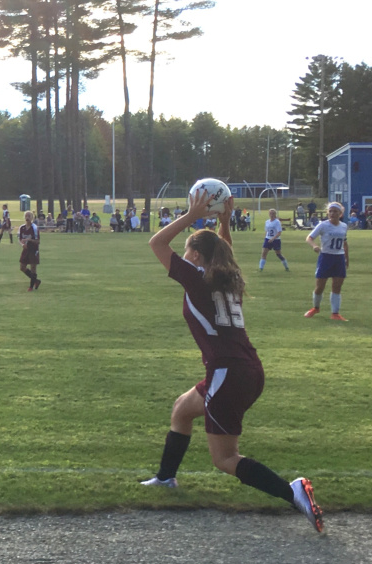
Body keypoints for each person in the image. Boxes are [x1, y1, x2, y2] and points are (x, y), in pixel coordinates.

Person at [143, 188, 324, 533]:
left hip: (229, 373)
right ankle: (165, 479)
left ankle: (293, 492)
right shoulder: (227, 278)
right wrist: (224, 221)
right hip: (244, 369)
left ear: (196, 255)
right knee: (182, 409)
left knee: (225, 458)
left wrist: (192, 217)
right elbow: (222, 250)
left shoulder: (198, 280)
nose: (184, 254)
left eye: (188, 250)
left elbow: (156, 243)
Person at [305, 202, 349, 321]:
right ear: (327, 213)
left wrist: (346, 258)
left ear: (340, 214)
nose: (333, 213)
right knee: (320, 286)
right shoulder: (323, 225)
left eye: (336, 211)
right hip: (325, 257)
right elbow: (309, 238)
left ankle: (335, 313)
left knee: (337, 286)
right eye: (331, 211)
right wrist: (314, 246)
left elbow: (344, 243)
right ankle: (316, 307)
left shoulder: (344, 226)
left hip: (339, 258)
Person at [18, 210, 41, 291]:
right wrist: (22, 244)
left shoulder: (34, 228)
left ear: (32, 218)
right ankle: (36, 281)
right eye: (26, 216)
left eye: (29, 216)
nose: (27, 218)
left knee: (33, 267)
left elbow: (38, 241)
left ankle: (31, 287)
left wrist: (30, 240)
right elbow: (20, 239)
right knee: (22, 267)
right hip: (26, 249)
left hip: (33, 249)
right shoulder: (22, 228)